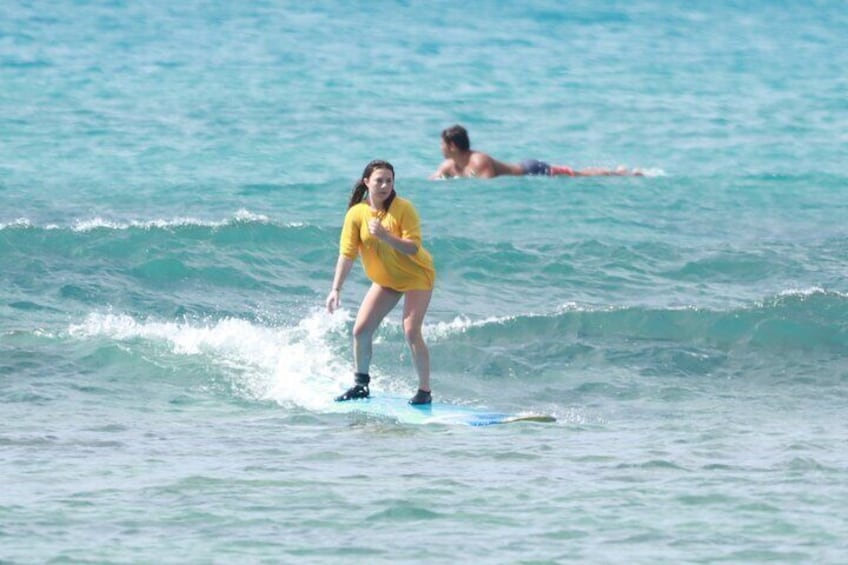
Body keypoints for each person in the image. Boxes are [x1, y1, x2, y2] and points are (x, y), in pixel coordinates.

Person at [326, 159, 436, 405]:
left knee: (410, 330)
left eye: (389, 180)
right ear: (367, 182)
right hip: (386, 281)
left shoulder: (404, 208)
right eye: (379, 180)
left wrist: (386, 236)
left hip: (417, 275)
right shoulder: (356, 214)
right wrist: (335, 289)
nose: (385, 185)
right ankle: (361, 386)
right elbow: (347, 254)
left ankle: (424, 391)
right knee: (361, 330)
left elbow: (413, 248)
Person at [430, 124, 643, 179]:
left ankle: (620, 173)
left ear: (452, 146)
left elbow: (489, 189)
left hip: (532, 170)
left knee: (578, 176)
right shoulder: (449, 166)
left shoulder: (479, 161)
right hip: (526, 171)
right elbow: (433, 180)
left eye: (442, 144)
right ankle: (618, 172)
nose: (440, 148)